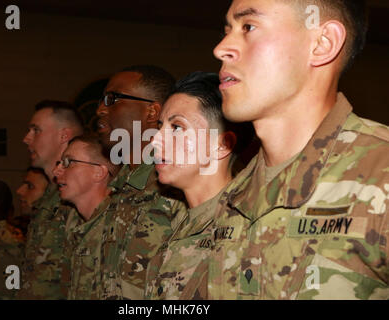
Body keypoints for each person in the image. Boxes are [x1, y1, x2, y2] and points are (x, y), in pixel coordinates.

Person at [201, 0, 389, 299]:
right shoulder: (232, 195)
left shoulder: (381, 173)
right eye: (227, 30)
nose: (221, 48)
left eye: (248, 27)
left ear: (322, 44)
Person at [145, 71, 255, 299]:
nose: (155, 140)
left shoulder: (245, 229)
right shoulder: (181, 221)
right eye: (160, 126)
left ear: (222, 144)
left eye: (176, 127)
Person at [96, 65, 186, 299]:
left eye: (112, 99)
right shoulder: (122, 185)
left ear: (152, 112)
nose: (100, 110)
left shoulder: (175, 184)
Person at [18, 100, 83, 299]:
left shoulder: (81, 191)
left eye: (35, 130)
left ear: (64, 135)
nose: (26, 139)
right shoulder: (49, 195)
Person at [52, 132, 118, 299]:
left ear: (99, 172)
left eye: (69, 162)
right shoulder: (76, 226)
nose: (56, 171)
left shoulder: (118, 229)